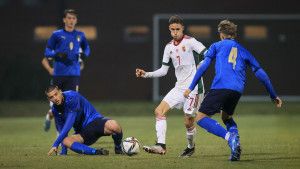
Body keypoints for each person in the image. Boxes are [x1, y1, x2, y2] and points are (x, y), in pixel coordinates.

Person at [184, 20, 282, 161]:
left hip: (220, 87)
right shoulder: (243, 49)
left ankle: (231, 138)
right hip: (237, 90)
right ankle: (235, 146)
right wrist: (273, 95)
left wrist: (191, 87)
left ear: (221, 34)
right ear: (233, 34)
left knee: (200, 118)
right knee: (226, 117)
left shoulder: (216, 46)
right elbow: (261, 73)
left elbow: (203, 67)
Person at [135, 15, 206, 157]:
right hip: (179, 87)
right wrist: (146, 74)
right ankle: (161, 146)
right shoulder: (168, 47)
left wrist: (202, 63)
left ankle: (190, 147)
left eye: (177, 29)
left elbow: (207, 52)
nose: (175, 32)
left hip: (194, 87)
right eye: (172, 29)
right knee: (159, 111)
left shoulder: (191, 42)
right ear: (169, 29)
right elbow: (163, 70)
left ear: (182, 29)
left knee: (188, 121)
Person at [42, 9, 90, 133]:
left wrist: (85, 55)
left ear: (76, 20)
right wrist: (57, 54)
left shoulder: (80, 35)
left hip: (74, 75)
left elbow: (87, 49)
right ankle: (51, 119)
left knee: (72, 104)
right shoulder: (56, 35)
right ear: (64, 19)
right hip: (59, 74)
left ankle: (67, 135)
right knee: (56, 106)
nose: (71, 21)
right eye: (69, 18)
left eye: (73, 18)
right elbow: (47, 52)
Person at [45, 85, 124, 156]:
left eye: (56, 94)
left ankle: (118, 148)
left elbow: (68, 124)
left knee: (114, 125)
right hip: (83, 133)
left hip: (95, 122)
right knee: (66, 141)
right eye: (51, 97)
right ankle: (97, 152)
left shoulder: (72, 97)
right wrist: (63, 152)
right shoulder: (55, 110)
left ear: (60, 91)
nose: (55, 98)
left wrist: (55, 144)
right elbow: (61, 129)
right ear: (49, 99)